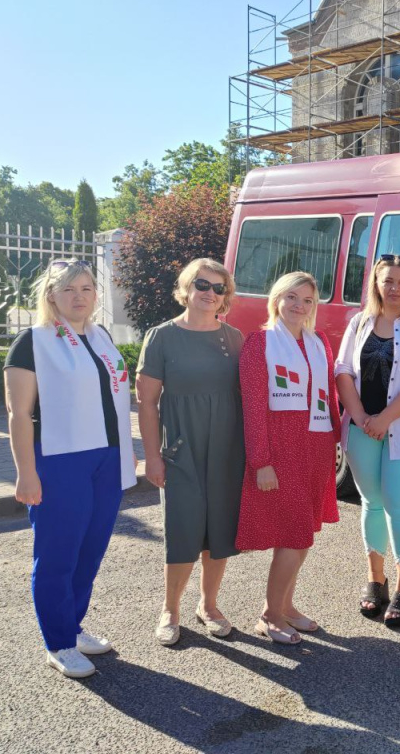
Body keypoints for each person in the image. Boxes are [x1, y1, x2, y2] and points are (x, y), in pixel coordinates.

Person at [4, 259, 137, 678]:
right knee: (58, 555)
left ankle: (73, 626)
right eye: (68, 290)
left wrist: (128, 453)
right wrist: (26, 472)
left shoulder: (102, 338)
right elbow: (18, 414)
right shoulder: (33, 341)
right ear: (51, 296)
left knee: (90, 551)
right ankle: (58, 642)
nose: (79, 297)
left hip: (107, 459)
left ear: (96, 295)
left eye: (86, 288)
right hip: (60, 460)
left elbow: (113, 402)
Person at [137, 258, 245, 646]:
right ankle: (170, 609)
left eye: (218, 288)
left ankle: (209, 605)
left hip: (227, 449)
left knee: (219, 529)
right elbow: (147, 404)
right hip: (181, 448)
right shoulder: (161, 336)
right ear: (186, 287)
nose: (209, 293)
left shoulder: (234, 339)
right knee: (182, 529)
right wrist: (152, 456)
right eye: (202, 284)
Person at [335, 255, 400, 628]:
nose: (394, 288)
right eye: (387, 280)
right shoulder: (359, 322)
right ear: (376, 284)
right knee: (371, 503)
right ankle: (376, 579)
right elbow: (343, 371)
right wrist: (362, 418)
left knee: (398, 503)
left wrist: (384, 419)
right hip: (362, 428)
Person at [237, 272, 341, 644]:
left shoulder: (319, 343)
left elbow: (329, 395)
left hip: (314, 451)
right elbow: (253, 407)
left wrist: (337, 441)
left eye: (308, 300)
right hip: (280, 454)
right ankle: (270, 614)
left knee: (302, 536)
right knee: (294, 536)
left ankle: (287, 605)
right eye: (292, 297)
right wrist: (260, 461)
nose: (299, 306)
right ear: (277, 299)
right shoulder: (259, 343)